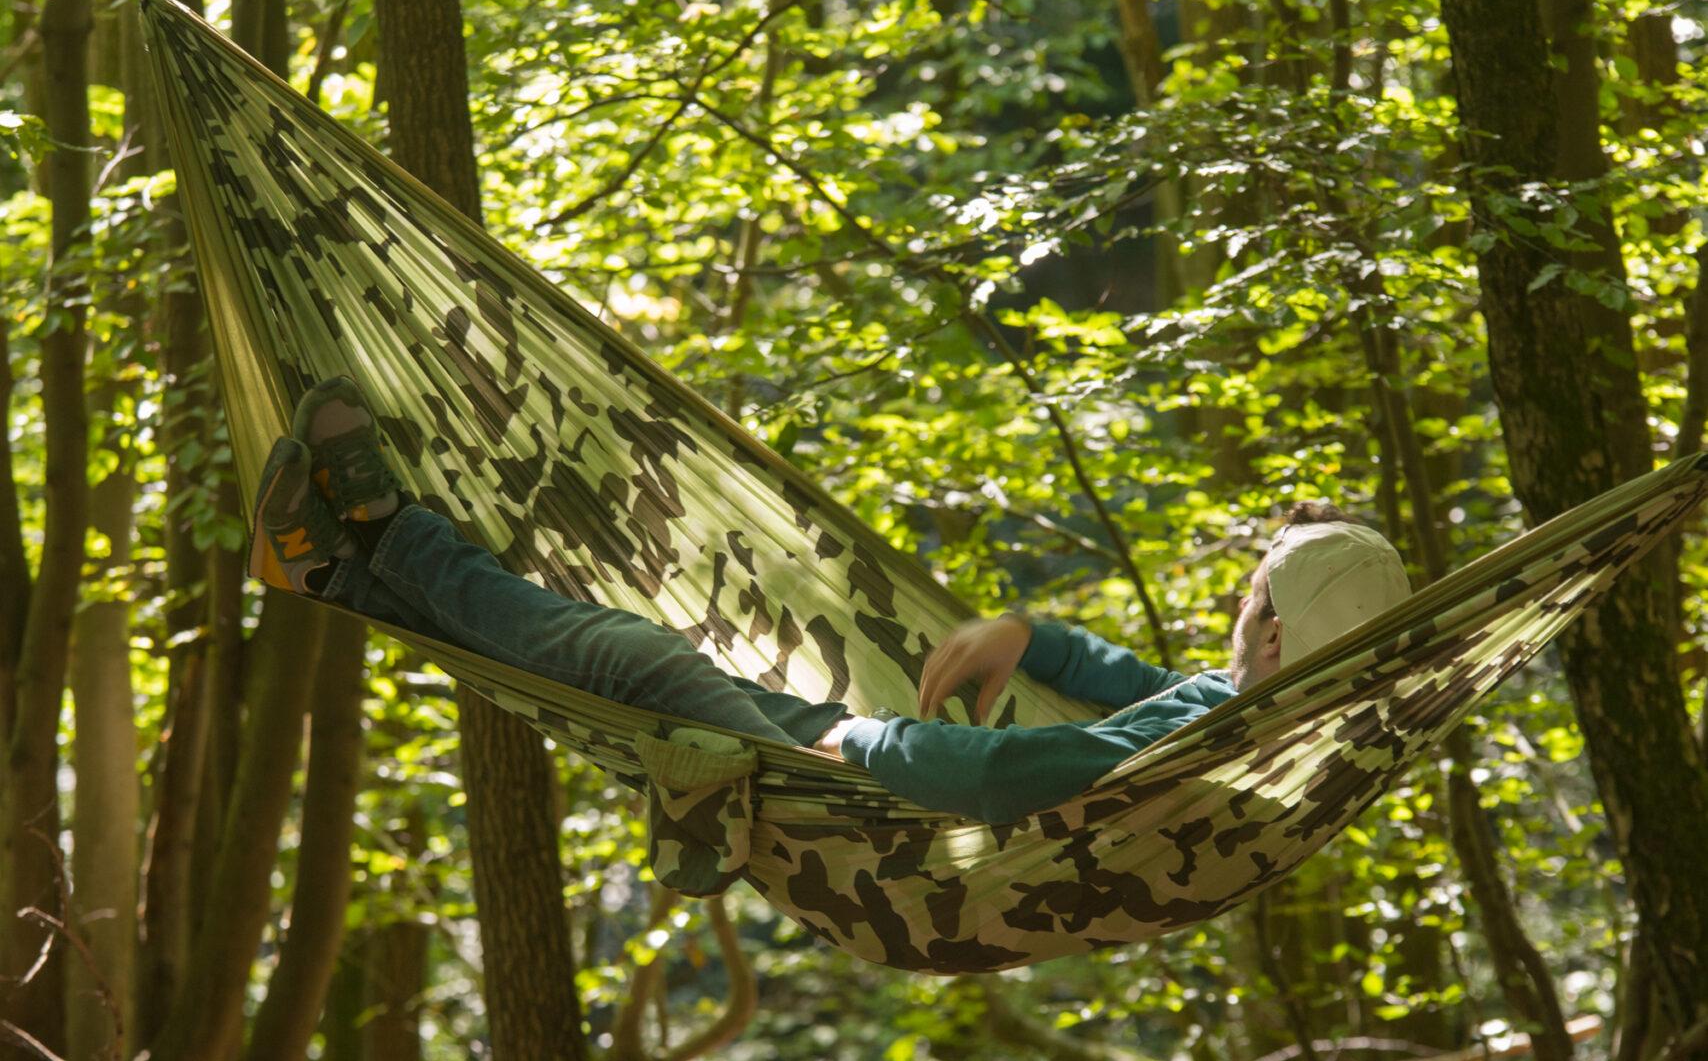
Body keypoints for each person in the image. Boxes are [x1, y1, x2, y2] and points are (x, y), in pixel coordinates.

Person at [252, 377, 1411, 830]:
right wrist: (1028, 636)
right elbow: (1144, 686)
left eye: (1247, 591)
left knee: (638, 664)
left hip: (874, 821)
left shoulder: (1211, 743)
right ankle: (337, 567)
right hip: (870, 783)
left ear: (1270, 629)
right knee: (638, 666)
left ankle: (384, 533)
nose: (1231, 602)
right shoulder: (1249, 709)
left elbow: (1019, 774)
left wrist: (861, 738)